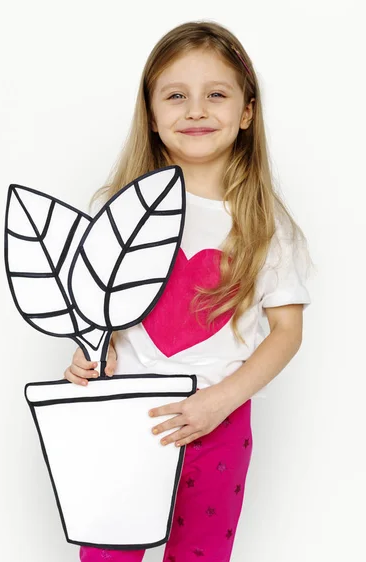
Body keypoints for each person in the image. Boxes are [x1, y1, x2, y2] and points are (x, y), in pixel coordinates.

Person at [63, 20, 314, 562]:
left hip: (219, 425)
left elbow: (287, 332)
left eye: (216, 95)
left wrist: (219, 403)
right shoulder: (118, 214)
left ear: (247, 112)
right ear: (152, 117)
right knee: (108, 554)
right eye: (176, 96)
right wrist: (88, 357)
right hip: (123, 418)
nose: (196, 111)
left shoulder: (267, 225)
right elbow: (100, 314)